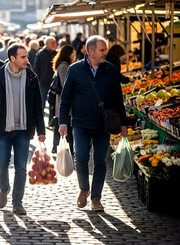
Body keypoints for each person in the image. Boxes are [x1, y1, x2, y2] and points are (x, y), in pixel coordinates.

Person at [59, 35, 127, 212]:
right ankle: (84, 189)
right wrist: (62, 122)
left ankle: (96, 197)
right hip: (80, 123)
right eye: (102, 50)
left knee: (100, 162)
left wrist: (124, 123)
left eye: (105, 49)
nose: (105, 53)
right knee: (80, 158)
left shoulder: (110, 70)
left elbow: (118, 99)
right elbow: (65, 98)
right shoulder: (74, 70)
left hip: (103, 125)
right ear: (90, 51)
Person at [0, 43, 46, 215]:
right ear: (12, 58)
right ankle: (4, 189)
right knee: (1, 165)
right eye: (23, 57)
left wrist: (41, 131)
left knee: (21, 167)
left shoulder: (31, 77)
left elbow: (37, 106)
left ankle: (17, 202)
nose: (27, 60)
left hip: (24, 130)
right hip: (3, 129)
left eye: (27, 56)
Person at [51, 45, 75, 154]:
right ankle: (68, 149)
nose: (74, 55)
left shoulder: (62, 65)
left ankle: (56, 146)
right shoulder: (64, 66)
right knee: (65, 125)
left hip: (61, 100)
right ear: (68, 54)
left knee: (61, 124)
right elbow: (66, 85)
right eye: (72, 53)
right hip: (64, 101)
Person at [33, 36, 57, 108]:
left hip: (54, 82)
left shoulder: (56, 53)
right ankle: (41, 119)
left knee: (53, 105)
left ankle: (52, 119)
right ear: (46, 44)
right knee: (42, 103)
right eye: (52, 43)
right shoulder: (40, 54)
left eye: (54, 42)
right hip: (43, 82)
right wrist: (39, 80)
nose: (54, 44)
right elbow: (36, 68)